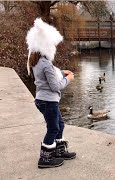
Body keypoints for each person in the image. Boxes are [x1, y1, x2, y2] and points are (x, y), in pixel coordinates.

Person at [26, 18, 76, 168]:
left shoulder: (37, 61)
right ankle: (45, 158)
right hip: (48, 101)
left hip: (43, 99)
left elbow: (49, 73)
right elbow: (55, 86)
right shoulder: (46, 63)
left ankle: (58, 151)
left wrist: (61, 71)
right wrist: (69, 79)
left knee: (59, 124)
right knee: (53, 127)